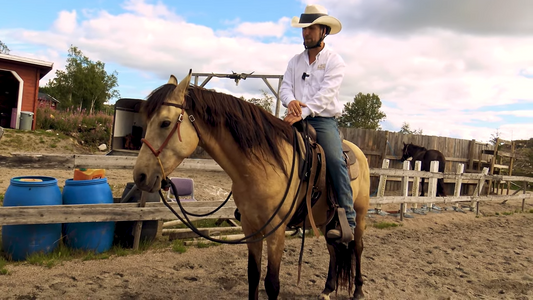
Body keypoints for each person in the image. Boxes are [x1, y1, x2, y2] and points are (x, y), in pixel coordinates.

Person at [280, 4, 354, 240]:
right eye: (304, 28)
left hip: (322, 121)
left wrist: (304, 111)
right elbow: (285, 88)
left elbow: (327, 94)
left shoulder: (335, 61)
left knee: (334, 159)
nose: (306, 33)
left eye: (311, 28)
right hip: (294, 117)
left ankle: (348, 218)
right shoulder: (294, 61)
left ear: (324, 31)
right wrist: (291, 101)